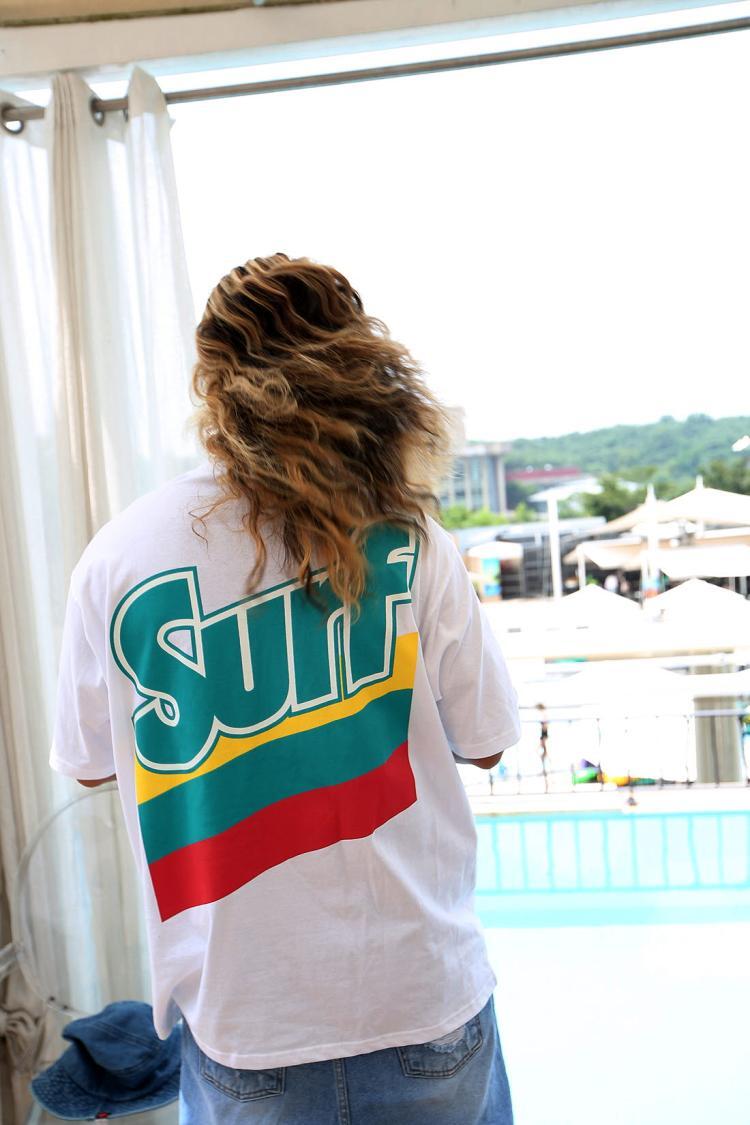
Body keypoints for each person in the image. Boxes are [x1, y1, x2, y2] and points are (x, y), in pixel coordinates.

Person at [50, 254, 521, 1125]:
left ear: (209, 377)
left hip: (247, 1023)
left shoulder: (119, 555)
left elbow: (86, 761)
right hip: (423, 998)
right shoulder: (409, 535)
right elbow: (486, 739)